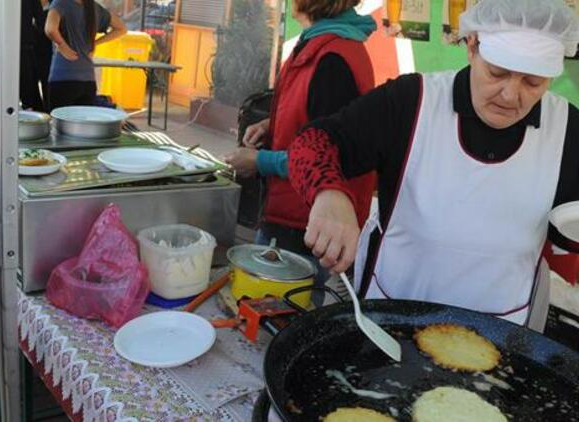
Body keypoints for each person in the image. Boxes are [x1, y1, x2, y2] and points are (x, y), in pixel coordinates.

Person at [288, 0, 579, 327]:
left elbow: (567, 231)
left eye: (533, 82)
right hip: (392, 319)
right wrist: (329, 195)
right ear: (472, 46)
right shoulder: (413, 101)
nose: (510, 95)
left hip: (501, 334)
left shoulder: (567, 129)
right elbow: (312, 142)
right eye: (497, 72)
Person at [224, 0, 378, 297]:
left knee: (281, 311)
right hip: (290, 212)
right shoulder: (323, 42)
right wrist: (273, 122)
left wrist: (259, 161)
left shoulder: (335, 58)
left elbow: (332, 159)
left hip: (306, 224)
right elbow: (318, 115)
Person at [45, 0, 126, 110]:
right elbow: (121, 28)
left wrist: (62, 45)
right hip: (88, 79)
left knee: (60, 124)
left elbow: (50, 29)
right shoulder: (94, 8)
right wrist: (95, 43)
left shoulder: (60, 3)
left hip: (63, 76)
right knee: (84, 124)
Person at [0, 0, 47, 111]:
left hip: (2, 49)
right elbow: (40, 19)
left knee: (3, 96)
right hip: (25, 47)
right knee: (30, 98)